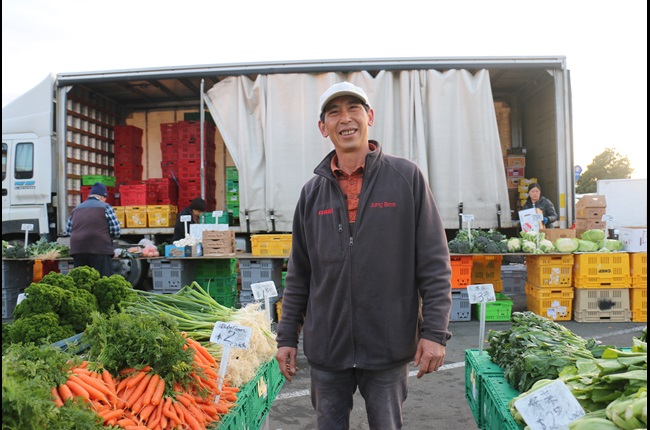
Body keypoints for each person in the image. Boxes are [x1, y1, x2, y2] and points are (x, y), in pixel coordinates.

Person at [275, 81, 453, 430]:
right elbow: (299, 273)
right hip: (328, 347)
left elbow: (434, 263)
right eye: (334, 112)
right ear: (323, 127)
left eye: (353, 108)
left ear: (369, 116)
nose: (345, 119)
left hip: (387, 344)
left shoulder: (406, 178)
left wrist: (434, 332)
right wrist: (286, 338)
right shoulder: (311, 194)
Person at [65, 182, 120, 277]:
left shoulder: (76, 209)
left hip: (78, 250)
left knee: (82, 280)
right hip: (100, 249)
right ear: (102, 197)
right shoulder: (106, 207)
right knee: (103, 280)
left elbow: (68, 231)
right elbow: (115, 230)